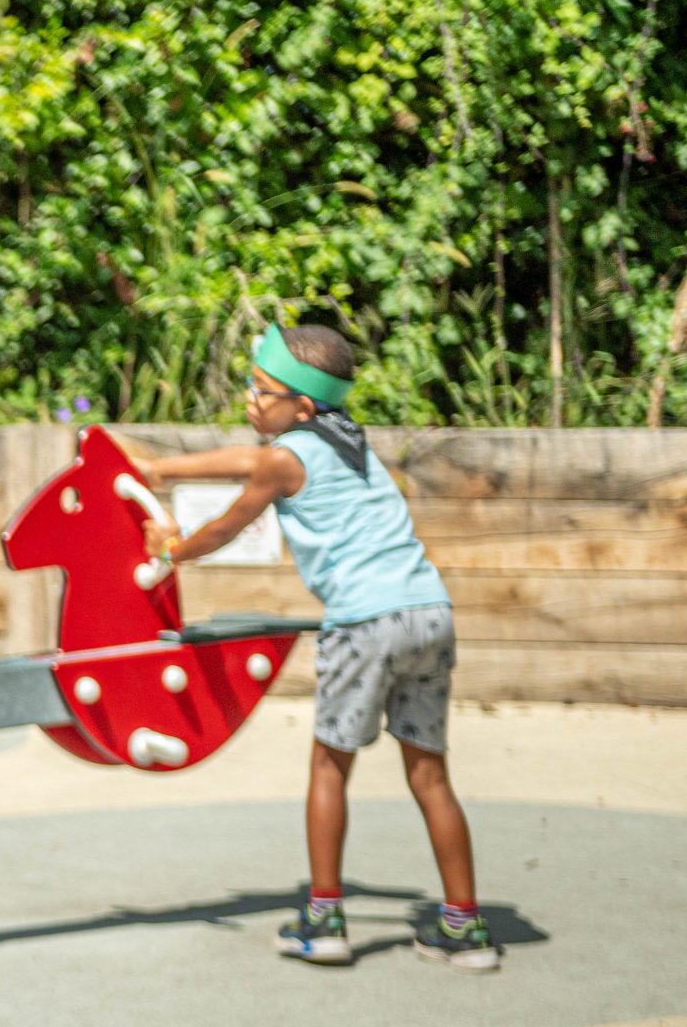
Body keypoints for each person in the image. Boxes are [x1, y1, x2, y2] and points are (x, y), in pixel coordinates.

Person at [130, 323, 499, 970]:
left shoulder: (285, 456)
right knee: (429, 774)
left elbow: (225, 523)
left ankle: (324, 919)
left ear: (300, 406)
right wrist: (156, 468)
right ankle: (464, 927)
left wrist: (171, 550)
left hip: (365, 623)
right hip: (428, 613)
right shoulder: (348, 442)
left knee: (330, 767)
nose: (249, 397)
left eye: (262, 389)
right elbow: (241, 459)